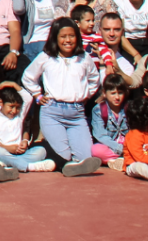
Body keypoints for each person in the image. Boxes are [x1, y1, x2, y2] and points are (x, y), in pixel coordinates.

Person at [21, 16, 103, 175]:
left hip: (77, 114)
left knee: (86, 157)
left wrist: (86, 95)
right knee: (63, 155)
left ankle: (70, 166)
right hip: (52, 112)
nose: (68, 40)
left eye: (71, 36)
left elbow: (95, 79)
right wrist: (37, 95)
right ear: (55, 38)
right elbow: (28, 77)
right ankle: (32, 159)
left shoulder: (84, 58)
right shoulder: (46, 57)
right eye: (63, 36)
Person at [0, 88, 54, 181]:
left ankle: (8, 164)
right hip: (4, 152)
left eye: (17, 108)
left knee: (41, 150)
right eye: (11, 106)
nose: (14, 111)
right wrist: (8, 148)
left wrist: (24, 142)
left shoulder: (19, 116)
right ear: (1, 102)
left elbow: (28, 98)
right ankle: (30, 167)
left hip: (20, 154)